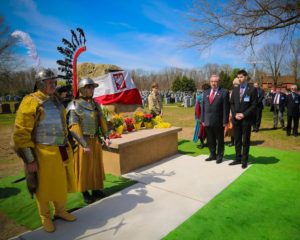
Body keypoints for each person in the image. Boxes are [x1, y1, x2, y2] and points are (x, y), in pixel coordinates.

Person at [12, 69, 76, 233]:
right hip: (41, 152)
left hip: (59, 149)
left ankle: (60, 211)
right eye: (49, 82)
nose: (53, 85)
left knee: (60, 183)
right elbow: (21, 133)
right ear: (40, 84)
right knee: (44, 186)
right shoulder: (30, 101)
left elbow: (62, 125)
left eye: (54, 82)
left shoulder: (55, 101)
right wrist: (29, 159)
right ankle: (45, 216)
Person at [68, 77, 110, 204]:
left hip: (95, 139)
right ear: (82, 89)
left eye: (92, 87)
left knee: (95, 166)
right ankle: (85, 191)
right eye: (89, 87)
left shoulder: (95, 105)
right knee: (84, 167)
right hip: (83, 141)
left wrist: (106, 136)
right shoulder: (74, 105)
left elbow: (102, 121)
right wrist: (83, 143)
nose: (92, 90)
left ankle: (96, 189)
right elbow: (73, 127)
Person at [229, 70, 257, 169]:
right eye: (238, 77)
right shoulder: (235, 89)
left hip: (246, 120)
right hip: (236, 119)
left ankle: (244, 160)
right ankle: (237, 159)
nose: (239, 79)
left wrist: (244, 114)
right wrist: (235, 114)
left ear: (245, 77)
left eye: (241, 77)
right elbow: (231, 103)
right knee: (237, 140)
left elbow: (254, 105)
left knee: (245, 141)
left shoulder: (252, 89)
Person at [200, 75, 230, 163]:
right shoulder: (206, 92)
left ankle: (220, 155)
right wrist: (202, 119)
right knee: (210, 139)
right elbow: (203, 107)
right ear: (210, 82)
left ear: (218, 82)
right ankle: (212, 154)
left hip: (219, 121)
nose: (213, 83)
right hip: (207, 120)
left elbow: (226, 108)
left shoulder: (224, 92)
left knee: (220, 139)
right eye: (212, 81)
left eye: (215, 81)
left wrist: (225, 121)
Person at [193, 83, 210, 148]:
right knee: (208, 131)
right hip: (207, 117)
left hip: (201, 117)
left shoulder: (199, 97)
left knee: (200, 132)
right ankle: (208, 143)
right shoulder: (209, 96)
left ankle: (202, 143)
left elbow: (197, 109)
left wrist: (198, 118)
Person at [225, 78, 240, 147]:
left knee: (236, 128)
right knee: (231, 128)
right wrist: (230, 113)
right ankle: (232, 141)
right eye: (234, 84)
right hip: (231, 112)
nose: (235, 85)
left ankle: (237, 141)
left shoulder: (241, 91)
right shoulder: (232, 92)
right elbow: (230, 103)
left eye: (236, 84)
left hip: (239, 113)